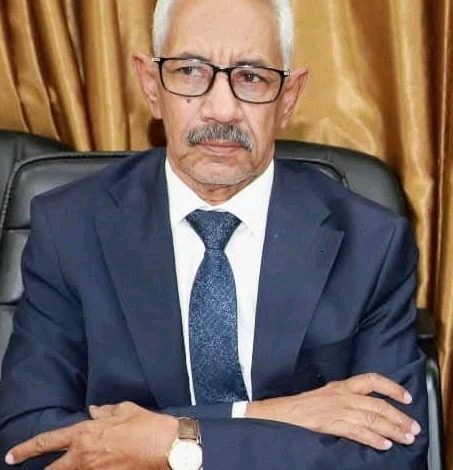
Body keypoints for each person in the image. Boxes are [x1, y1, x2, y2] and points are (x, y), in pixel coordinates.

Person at [0, 0, 428, 468]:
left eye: (251, 77)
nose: (222, 110)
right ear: (151, 84)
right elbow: (27, 442)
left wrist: (165, 441)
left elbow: (394, 453)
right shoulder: (70, 228)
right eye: (190, 71)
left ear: (288, 97)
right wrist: (267, 414)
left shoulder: (370, 242)